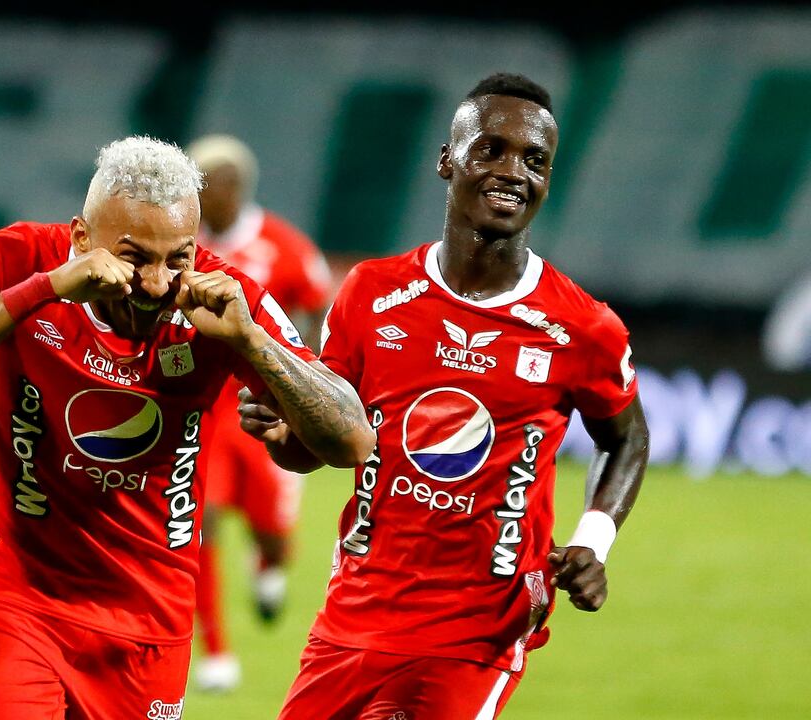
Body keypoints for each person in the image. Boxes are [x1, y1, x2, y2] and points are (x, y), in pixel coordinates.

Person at [0, 135, 375, 720]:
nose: (159, 283)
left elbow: (352, 441)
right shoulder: (17, 259)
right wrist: (47, 287)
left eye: (178, 258)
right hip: (15, 601)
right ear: (81, 239)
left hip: (149, 621)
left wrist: (252, 342)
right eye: (135, 258)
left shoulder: (223, 297)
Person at [239, 73, 651, 718]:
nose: (513, 172)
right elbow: (319, 449)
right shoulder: (370, 293)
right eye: (491, 149)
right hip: (356, 611)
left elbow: (626, 437)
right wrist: (280, 432)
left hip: (480, 629)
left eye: (535, 160)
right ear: (446, 160)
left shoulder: (581, 326)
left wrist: (594, 542)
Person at [183, 134, 333, 692]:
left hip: (263, 408)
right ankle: (216, 652)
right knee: (200, 522)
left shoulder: (283, 245)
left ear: (235, 187)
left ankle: (270, 563)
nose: (202, 196)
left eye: (208, 185)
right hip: (203, 409)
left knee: (271, 526)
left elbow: (317, 307)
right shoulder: (181, 245)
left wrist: (306, 384)